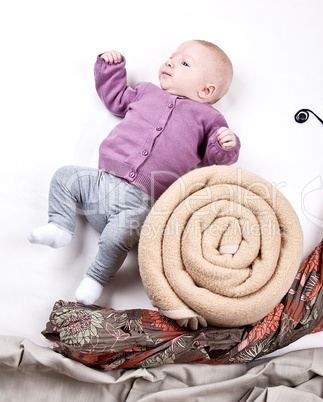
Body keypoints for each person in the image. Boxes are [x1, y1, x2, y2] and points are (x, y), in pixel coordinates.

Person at [28, 40, 241, 305]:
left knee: (117, 239)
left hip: (141, 204)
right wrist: (111, 68)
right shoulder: (146, 92)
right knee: (64, 176)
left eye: (184, 63)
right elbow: (116, 99)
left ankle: (95, 278)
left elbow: (214, 158)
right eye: (171, 56)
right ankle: (60, 225)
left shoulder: (208, 119)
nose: (171, 62)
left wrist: (225, 144)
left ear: (206, 90)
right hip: (101, 181)